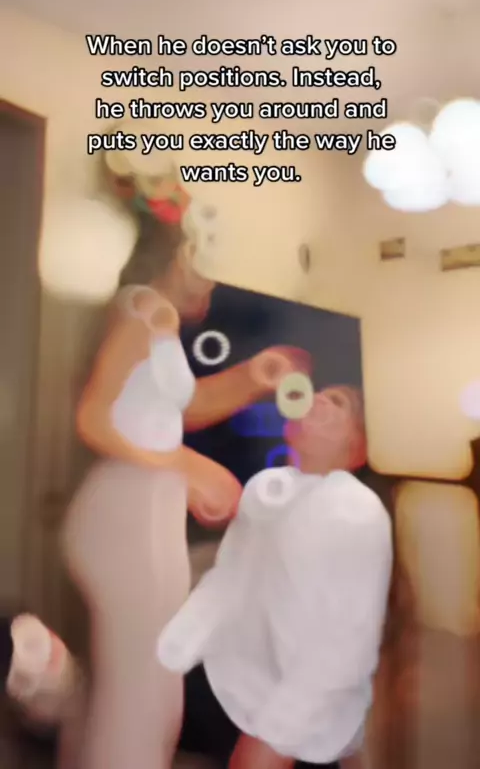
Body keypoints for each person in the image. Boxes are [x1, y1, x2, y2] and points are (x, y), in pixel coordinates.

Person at [61, 172, 309, 769]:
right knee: (145, 700)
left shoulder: (155, 318)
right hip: (126, 516)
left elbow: (178, 408)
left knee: (134, 694)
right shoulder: (144, 311)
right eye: (205, 258)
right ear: (178, 253)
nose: (214, 278)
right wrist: (184, 465)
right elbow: (93, 418)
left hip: (137, 512)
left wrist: (251, 377)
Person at [158, 388, 393, 769]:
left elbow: (344, 645)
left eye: (337, 404)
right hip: (229, 692)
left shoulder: (357, 512)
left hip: (298, 729)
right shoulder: (265, 489)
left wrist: (273, 738)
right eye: (318, 395)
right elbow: (229, 580)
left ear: (357, 447)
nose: (318, 400)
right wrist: (171, 655)